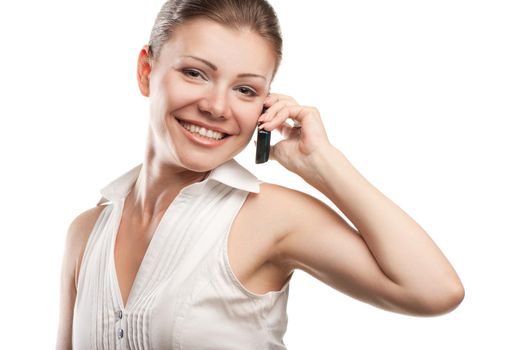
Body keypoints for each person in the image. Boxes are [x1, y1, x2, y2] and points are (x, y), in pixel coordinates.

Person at [56, 0, 465, 349]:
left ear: (266, 104)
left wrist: (322, 162)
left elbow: (434, 290)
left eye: (246, 90)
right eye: (195, 73)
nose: (217, 107)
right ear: (147, 70)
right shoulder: (88, 231)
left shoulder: (271, 216)